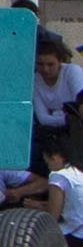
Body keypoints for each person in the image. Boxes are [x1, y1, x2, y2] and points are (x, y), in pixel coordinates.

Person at [34, 31, 80, 175]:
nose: (45, 69)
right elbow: (42, 118)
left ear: (60, 61)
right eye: (40, 64)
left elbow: (79, 105)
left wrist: (57, 115)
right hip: (53, 132)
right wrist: (65, 117)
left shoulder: (72, 72)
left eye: (50, 64)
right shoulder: (35, 80)